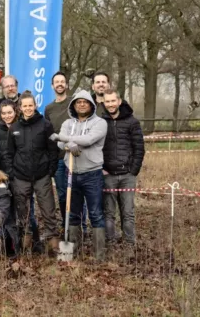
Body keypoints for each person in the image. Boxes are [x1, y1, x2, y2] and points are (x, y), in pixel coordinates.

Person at [2, 91, 60, 254]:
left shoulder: (45, 125)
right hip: (20, 176)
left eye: (30, 105)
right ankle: (26, 245)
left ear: (35, 106)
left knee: (48, 210)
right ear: (19, 107)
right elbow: (9, 153)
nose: (28, 108)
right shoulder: (14, 127)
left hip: (42, 175)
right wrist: (11, 172)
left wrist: (51, 170)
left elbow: (52, 150)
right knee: (24, 212)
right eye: (24, 105)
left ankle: (53, 245)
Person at [54, 89, 109, 261]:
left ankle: (99, 255)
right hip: (72, 173)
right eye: (78, 102)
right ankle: (72, 252)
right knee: (73, 212)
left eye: (85, 102)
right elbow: (59, 144)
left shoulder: (100, 123)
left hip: (92, 173)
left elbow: (88, 140)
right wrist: (66, 143)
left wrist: (67, 140)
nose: (82, 104)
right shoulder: (67, 123)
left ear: (91, 105)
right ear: (73, 105)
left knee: (95, 213)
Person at [101, 88, 144, 246]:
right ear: (103, 103)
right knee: (108, 213)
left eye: (113, 101)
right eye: (107, 101)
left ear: (119, 101)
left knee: (128, 213)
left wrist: (133, 171)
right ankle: (110, 244)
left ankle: (129, 245)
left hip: (127, 176)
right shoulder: (100, 122)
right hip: (108, 175)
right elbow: (96, 148)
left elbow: (139, 148)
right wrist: (102, 169)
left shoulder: (132, 122)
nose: (111, 104)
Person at [44, 71, 74, 228]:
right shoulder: (49, 109)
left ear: (67, 84)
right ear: (52, 85)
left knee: (76, 194)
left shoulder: (74, 103)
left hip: (76, 156)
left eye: (63, 81)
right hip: (59, 159)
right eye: (57, 82)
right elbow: (49, 134)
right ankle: (66, 226)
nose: (60, 84)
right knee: (63, 195)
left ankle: (79, 227)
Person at [0, 100, 17, 173]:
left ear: (15, 112)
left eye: (9, 113)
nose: (7, 116)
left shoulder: (21, 128)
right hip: (2, 172)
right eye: (4, 113)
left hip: (19, 173)